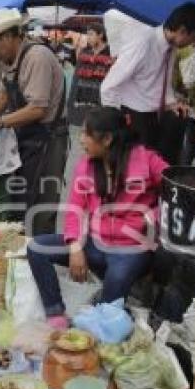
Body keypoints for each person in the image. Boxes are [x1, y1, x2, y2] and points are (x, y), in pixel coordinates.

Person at [27, 107, 166, 330]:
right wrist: (74, 246)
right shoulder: (86, 165)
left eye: (86, 134)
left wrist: (150, 219)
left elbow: (176, 193)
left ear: (108, 139)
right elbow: (75, 208)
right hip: (95, 243)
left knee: (108, 307)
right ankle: (56, 314)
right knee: (37, 248)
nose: (81, 140)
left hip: (131, 249)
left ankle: (107, 314)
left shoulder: (148, 161)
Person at [0, 8, 68, 235]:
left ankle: (40, 259)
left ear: (9, 36)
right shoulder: (8, 59)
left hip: (48, 139)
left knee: (40, 204)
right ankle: (22, 254)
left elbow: (37, 109)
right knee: (21, 201)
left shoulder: (36, 57)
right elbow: (4, 96)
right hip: (26, 137)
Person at [99, 2, 195, 164]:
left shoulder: (171, 47)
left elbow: (161, 81)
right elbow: (108, 86)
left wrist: (171, 102)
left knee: (157, 167)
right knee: (135, 170)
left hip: (154, 117)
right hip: (134, 116)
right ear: (182, 31)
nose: (194, 42)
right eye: (194, 37)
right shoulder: (143, 42)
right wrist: (116, 124)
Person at [68, 22, 113, 127]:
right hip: (83, 103)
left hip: (102, 104)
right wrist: (71, 102)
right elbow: (76, 78)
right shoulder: (84, 52)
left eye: (91, 34)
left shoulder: (111, 54)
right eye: (87, 34)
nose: (88, 38)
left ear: (100, 35)